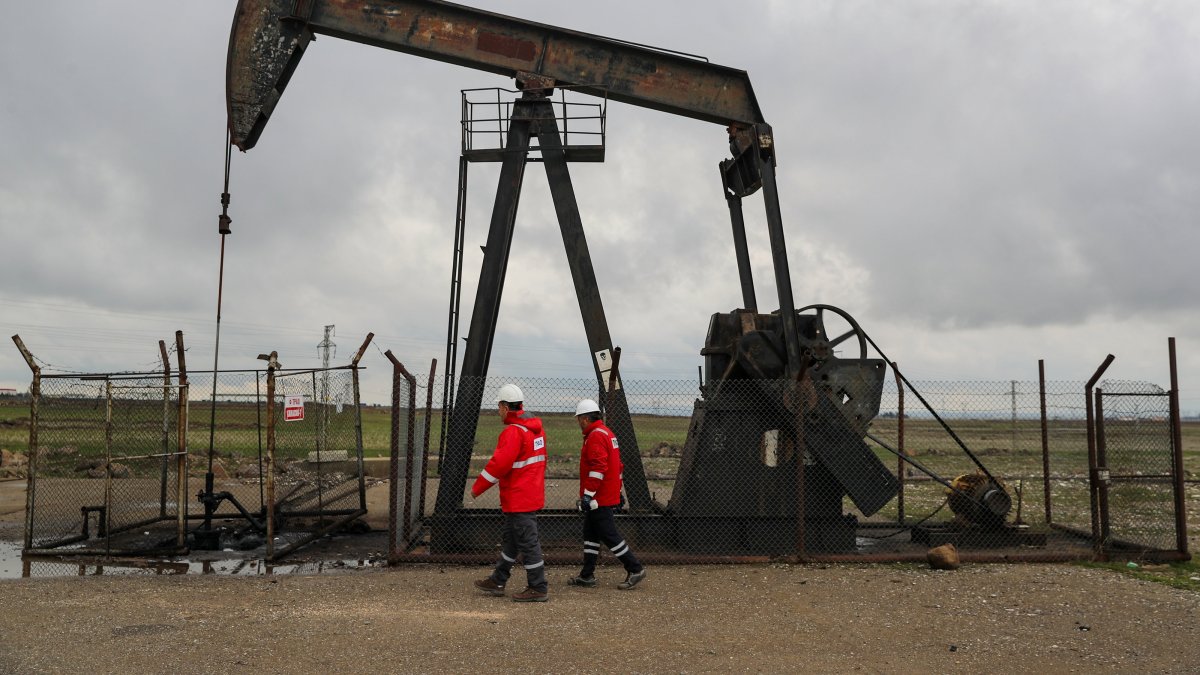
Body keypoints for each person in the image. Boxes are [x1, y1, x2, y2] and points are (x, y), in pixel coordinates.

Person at [472, 383, 549, 602]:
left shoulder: (513, 433)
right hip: (529, 494)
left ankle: (538, 587)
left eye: (499, 406)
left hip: (518, 498)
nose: (498, 411)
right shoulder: (536, 430)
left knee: (528, 544)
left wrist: (478, 488)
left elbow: (499, 465)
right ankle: (498, 579)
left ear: (506, 407)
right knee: (513, 541)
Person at [567, 398, 647, 590]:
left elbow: (598, 468)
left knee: (609, 535)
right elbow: (617, 466)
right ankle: (587, 575)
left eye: (579, 419)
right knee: (591, 534)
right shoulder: (607, 433)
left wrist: (587, 495)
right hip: (604, 495)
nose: (578, 422)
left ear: (585, 419)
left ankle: (635, 568)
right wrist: (617, 490)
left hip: (598, 497)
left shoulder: (595, 436)